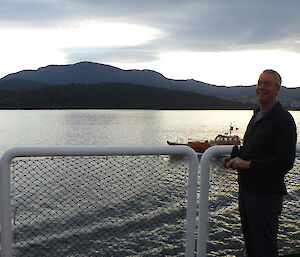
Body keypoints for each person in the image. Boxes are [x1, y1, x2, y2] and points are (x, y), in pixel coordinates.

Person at [222, 69, 297, 257]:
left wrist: (249, 165)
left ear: (277, 90)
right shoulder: (256, 115)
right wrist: (234, 158)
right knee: (252, 245)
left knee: (265, 248)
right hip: (247, 191)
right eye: (260, 83)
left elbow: (285, 162)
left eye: (267, 84)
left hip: (265, 195)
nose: (262, 87)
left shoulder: (284, 120)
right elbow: (251, 150)